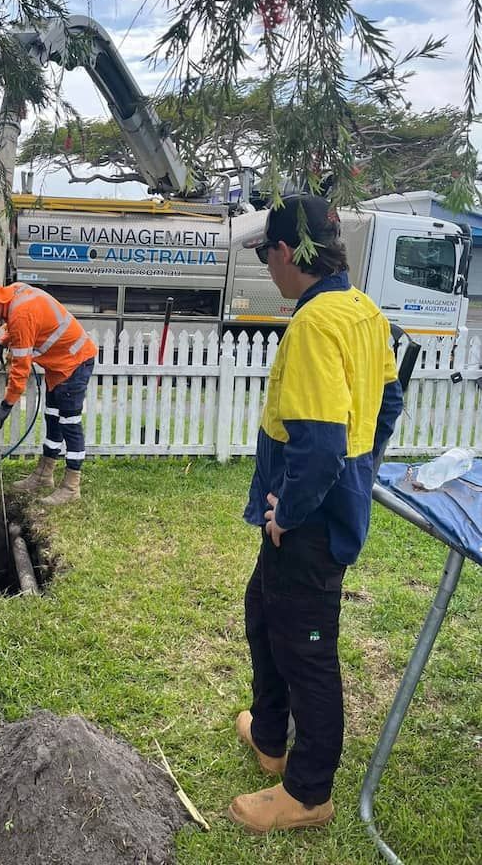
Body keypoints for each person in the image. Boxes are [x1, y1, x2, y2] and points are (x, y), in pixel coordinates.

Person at [227, 194, 403, 834]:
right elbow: (388, 402)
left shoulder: (312, 326)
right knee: (264, 614)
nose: (268, 268)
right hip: (326, 506)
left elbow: (323, 442)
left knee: (307, 650)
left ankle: (308, 793)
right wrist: (363, 466)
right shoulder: (363, 311)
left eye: (265, 254)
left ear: (283, 253)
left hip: (306, 523)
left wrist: (287, 515)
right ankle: (271, 737)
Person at [0, 281, 97, 505]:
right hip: (59, 366)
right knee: (52, 417)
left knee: (69, 424)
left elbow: (20, 369)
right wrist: (2, 342)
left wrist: (6, 406)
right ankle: (44, 475)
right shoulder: (14, 292)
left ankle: (72, 487)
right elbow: (17, 327)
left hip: (74, 364)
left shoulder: (20, 315)